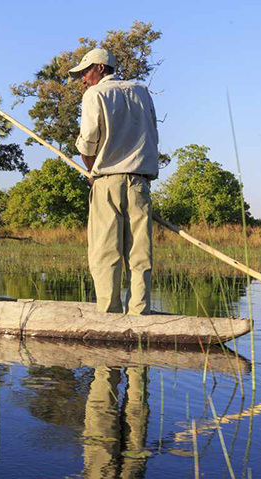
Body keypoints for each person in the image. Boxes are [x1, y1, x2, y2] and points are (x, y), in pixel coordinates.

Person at [69, 47, 159, 315]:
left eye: (85, 72)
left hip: (107, 181)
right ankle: (139, 312)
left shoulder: (95, 94)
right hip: (140, 184)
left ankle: (108, 315)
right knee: (139, 253)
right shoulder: (142, 92)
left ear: (99, 68)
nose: (83, 78)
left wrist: (92, 172)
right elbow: (153, 133)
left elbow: (87, 146)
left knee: (105, 252)